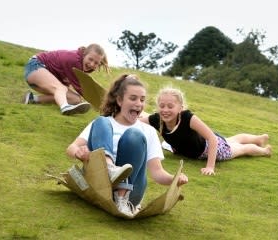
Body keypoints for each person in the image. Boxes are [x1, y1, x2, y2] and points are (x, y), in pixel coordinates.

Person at [66, 75, 188, 217]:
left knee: (134, 135)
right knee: (101, 121)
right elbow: (71, 148)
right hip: (99, 182)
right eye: (133, 98)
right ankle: (110, 168)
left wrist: (175, 179)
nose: (139, 103)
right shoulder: (102, 124)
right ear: (119, 100)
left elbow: (157, 173)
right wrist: (79, 153)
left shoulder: (147, 131)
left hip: (130, 194)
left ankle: (121, 196)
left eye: (142, 100)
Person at [139, 87, 272, 176]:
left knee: (241, 149)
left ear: (180, 107)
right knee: (232, 140)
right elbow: (137, 121)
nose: (165, 110)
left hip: (210, 149)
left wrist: (210, 167)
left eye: (170, 106)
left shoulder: (188, 118)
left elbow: (212, 139)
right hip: (196, 145)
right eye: (162, 106)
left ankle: (264, 151)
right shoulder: (157, 119)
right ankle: (259, 139)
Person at [23, 43, 110, 115]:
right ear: (84, 54)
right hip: (35, 67)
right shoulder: (74, 60)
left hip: (44, 78)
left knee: (75, 99)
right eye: (90, 59)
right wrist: (103, 104)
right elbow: (82, 89)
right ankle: (65, 107)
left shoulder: (81, 66)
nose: (91, 64)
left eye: (96, 63)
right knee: (61, 88)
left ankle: (32, 99)